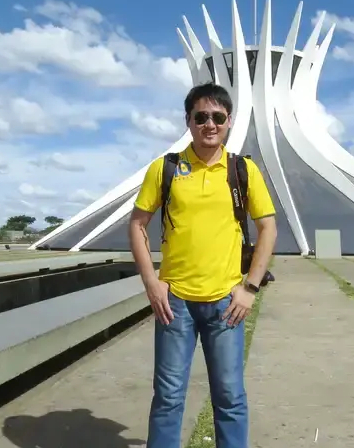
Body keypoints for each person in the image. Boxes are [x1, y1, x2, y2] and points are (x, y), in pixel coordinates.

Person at [128, 82, 277, 448]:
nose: (209, 124)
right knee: (168, 397)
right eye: (201, 116)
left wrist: (249, 288)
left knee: (230, 397)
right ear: (189, 121)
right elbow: (136, 223)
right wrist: (151, 281)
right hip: (174, 303)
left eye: (217, 117)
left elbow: (268, 227)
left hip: (227, 303)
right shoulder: (166, 168)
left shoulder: (243, 170)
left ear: (228, 121)